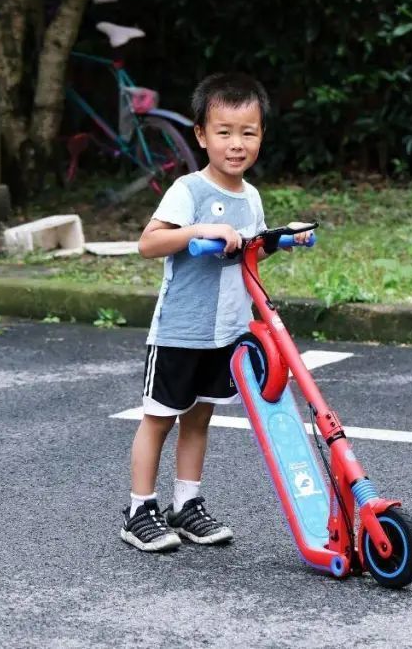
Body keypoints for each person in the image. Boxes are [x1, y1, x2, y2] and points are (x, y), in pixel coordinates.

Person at [121, 72, 312, 552]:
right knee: (159, 417)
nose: (236, 144)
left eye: (248, 132)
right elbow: (149, 243)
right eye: (224, 132)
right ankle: (139, 509)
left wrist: (281, 240)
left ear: (261, 136)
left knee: (199, 417)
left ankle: (187, 504)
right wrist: (196, 230)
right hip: (180, 332)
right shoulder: (188, 190)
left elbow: (248, 252)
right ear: (202, 136)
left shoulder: (250, 197)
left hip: (224, 330)